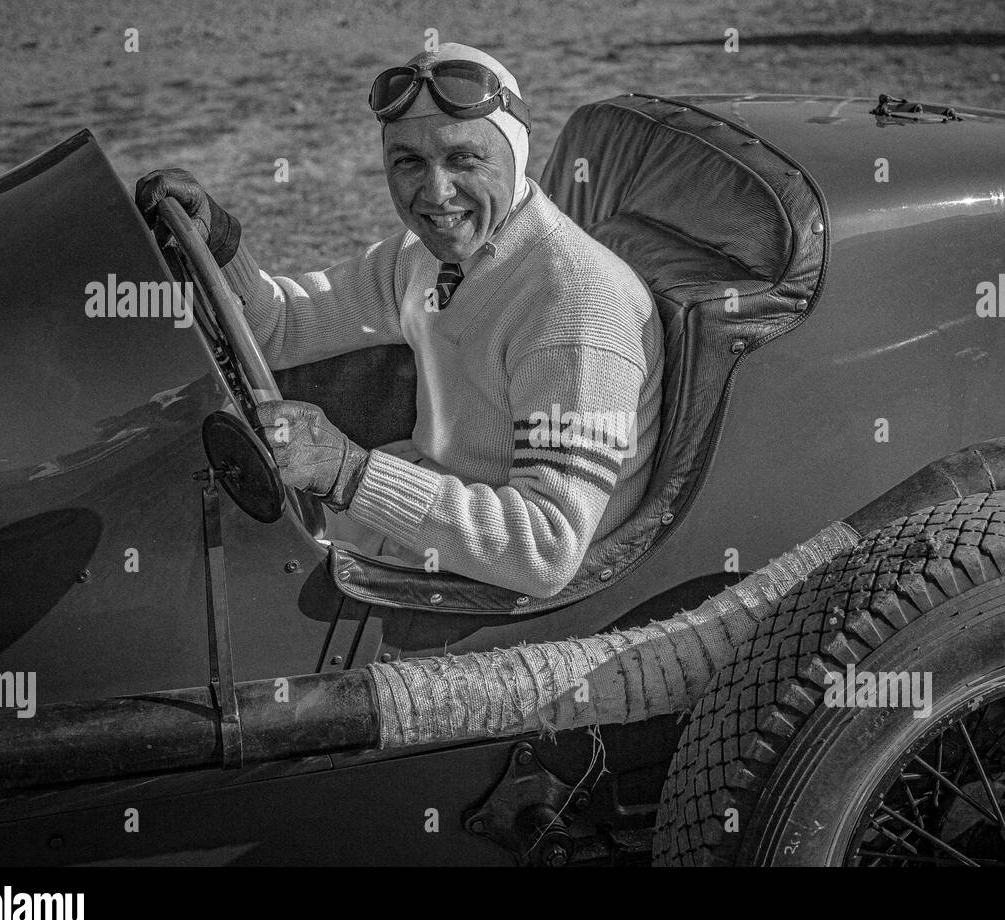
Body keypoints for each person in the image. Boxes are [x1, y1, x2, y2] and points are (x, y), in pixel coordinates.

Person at [135, 42, 663, 599]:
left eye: (464, 159)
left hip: (497, 596)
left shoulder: (577, 303)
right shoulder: (426, 256)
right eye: (409, 161)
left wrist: (347, 472)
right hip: (427, 532)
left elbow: (546, 549)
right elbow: (277, 327)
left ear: (516, 155)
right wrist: (218, 243)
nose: (436, 194)